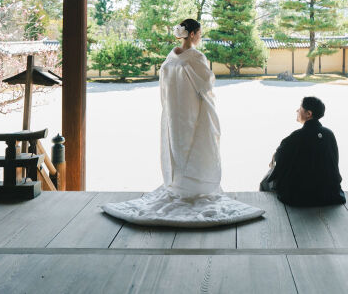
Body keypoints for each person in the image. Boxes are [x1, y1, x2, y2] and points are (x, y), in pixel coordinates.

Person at [102, 18, 264, 227]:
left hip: (174, 112)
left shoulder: (171, 57)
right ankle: (195, 189)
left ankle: (179, 187)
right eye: (200, 33)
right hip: (193, 111)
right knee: (198, 145)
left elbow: (164, 88)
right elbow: (206, 84)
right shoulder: (196, 57)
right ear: (194, 34)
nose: (201, 36)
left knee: (177, 148)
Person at [260, 96, 346, 206]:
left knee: (266, 181)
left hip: (301, 196)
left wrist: (274, 160)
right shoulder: (329, 134)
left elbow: (279, 160)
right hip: (330, 194)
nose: (297, 111)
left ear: (308, 113)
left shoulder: (296, 136)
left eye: (300, 108)